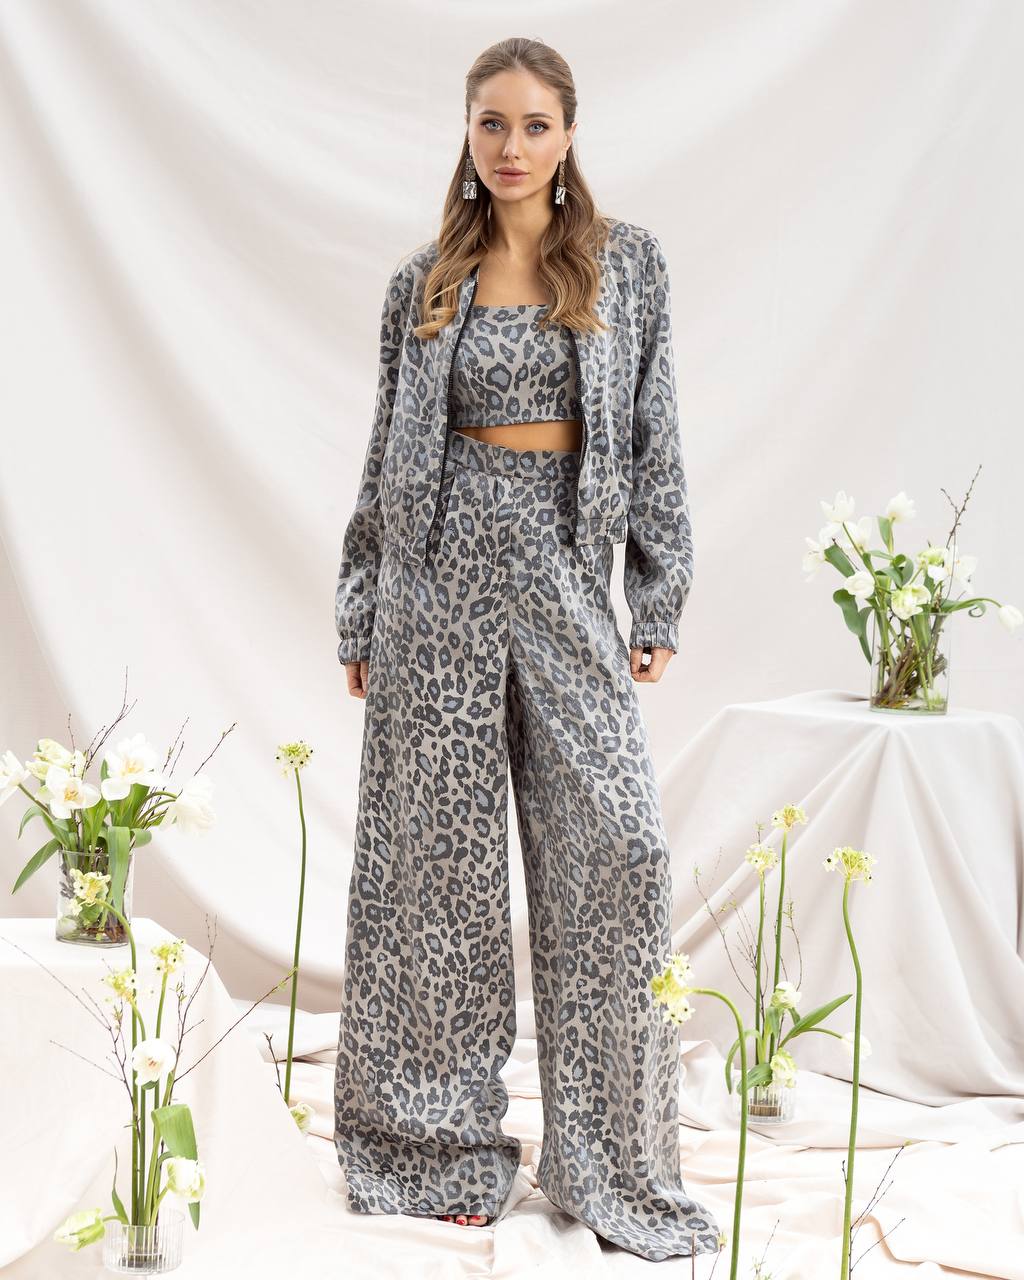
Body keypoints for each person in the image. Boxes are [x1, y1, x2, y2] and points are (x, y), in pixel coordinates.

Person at [332, 36, 719, 1264]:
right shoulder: (424, 282)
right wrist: (361, 607)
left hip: (560, 577)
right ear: (465, 132)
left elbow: (656, 432)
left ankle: (609, 1156)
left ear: (568, 135)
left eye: (533, 124)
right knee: (432, 881)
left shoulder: (623, 264)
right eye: (489, 123)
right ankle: (433, 1148)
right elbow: (384, 452)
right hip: (435, 588)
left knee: (617, 852)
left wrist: (654, 594)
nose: (509, 147)